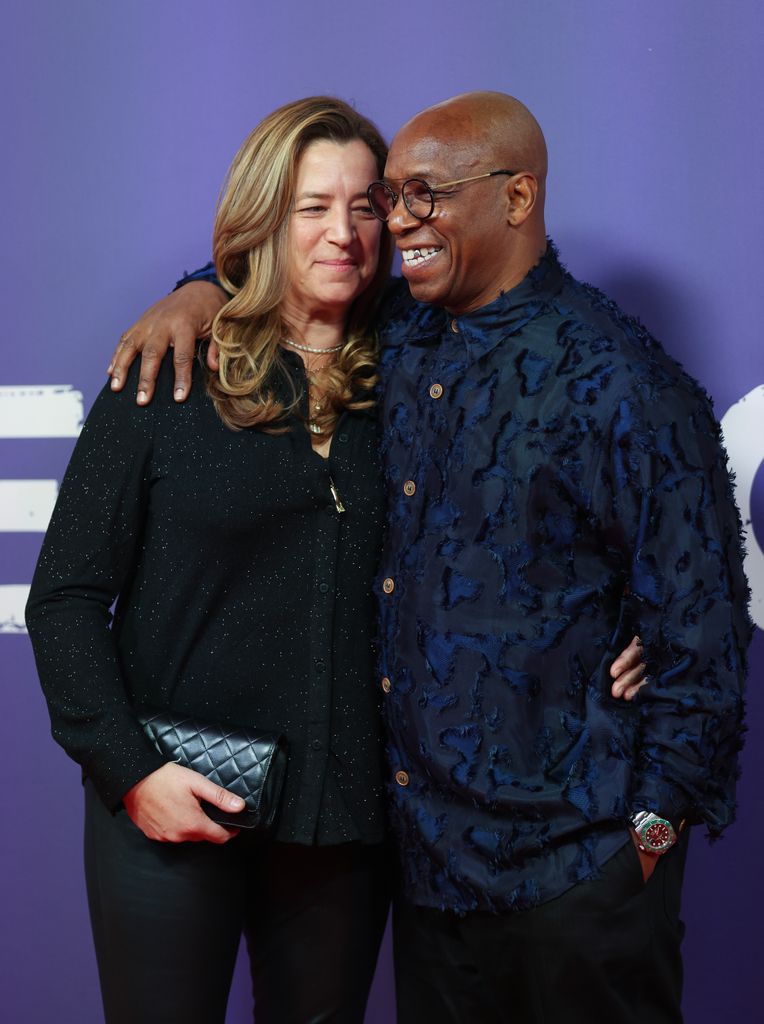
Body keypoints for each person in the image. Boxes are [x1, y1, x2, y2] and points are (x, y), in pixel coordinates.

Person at [109, 91, 751, 1024]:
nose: (396, 219)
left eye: (424, 194)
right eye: (388, 198)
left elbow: (705, 635)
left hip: (580, 877)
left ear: (518, 198)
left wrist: (647, 839)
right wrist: (198, 291)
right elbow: (291, 277)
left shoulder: (622, 382)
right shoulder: (398, 332)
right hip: (429, 884)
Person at [26, 96, 399, 1024]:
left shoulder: (417, 378)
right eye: (313, 207)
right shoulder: (171, 369)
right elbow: (65, 596)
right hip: (168, 805)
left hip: (340, 822)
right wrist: (128, 771)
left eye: (365, 206)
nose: (342, 233)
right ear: (265, 218)